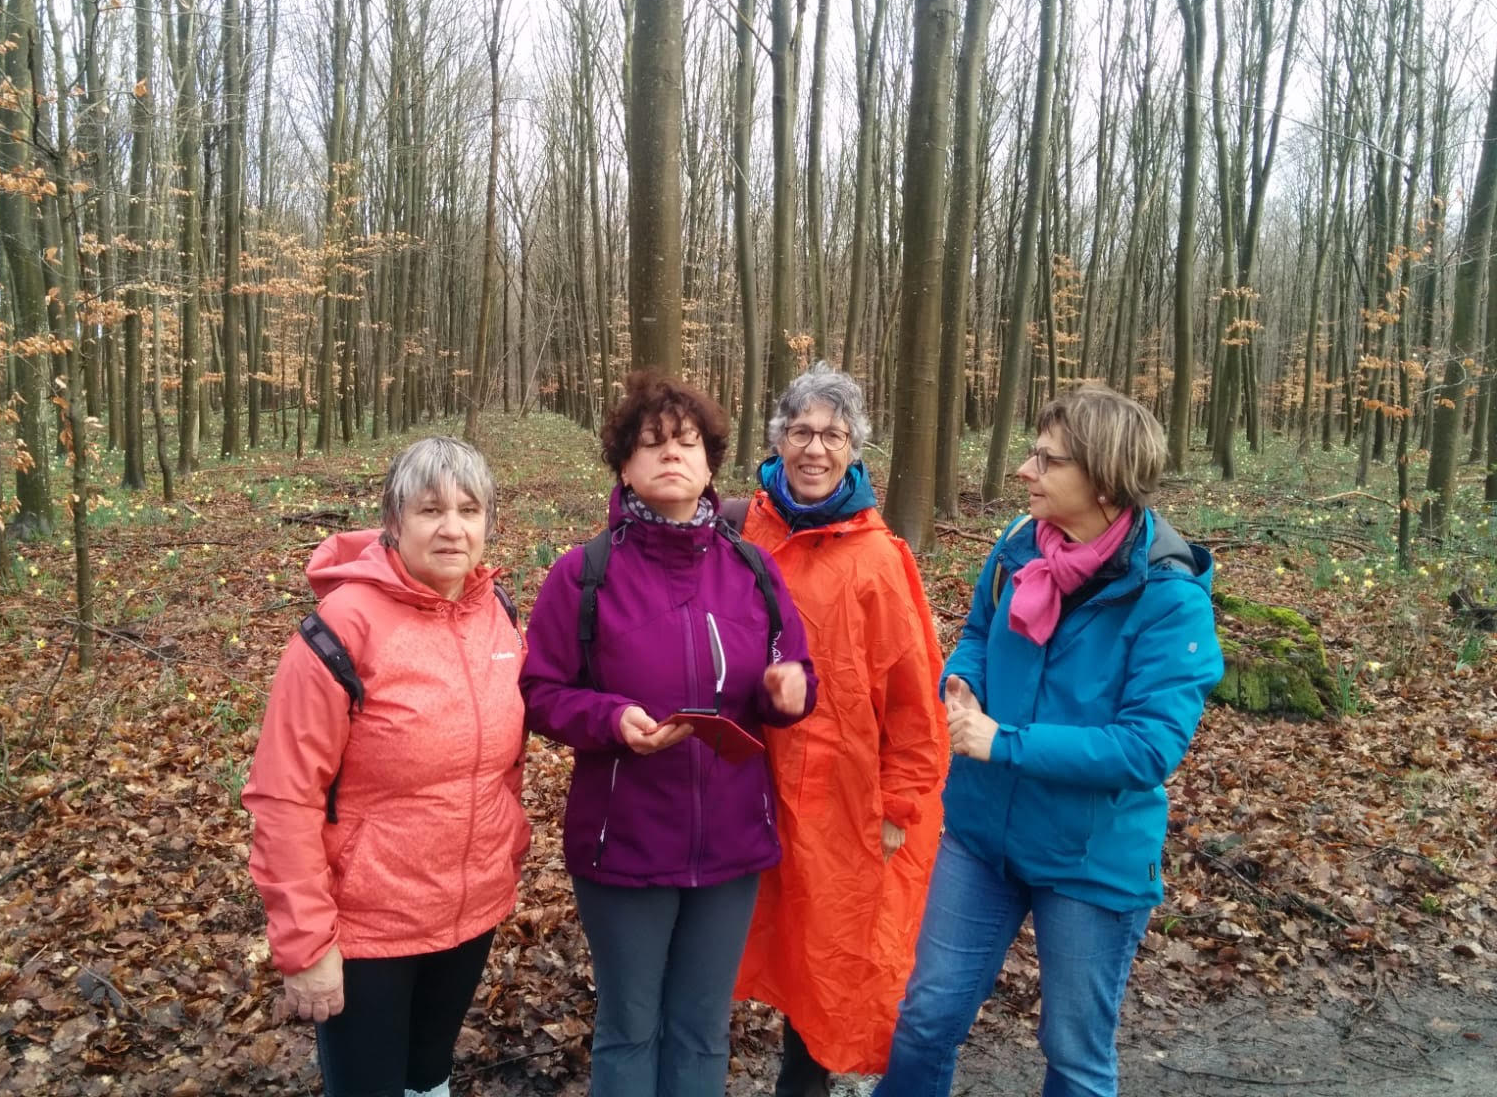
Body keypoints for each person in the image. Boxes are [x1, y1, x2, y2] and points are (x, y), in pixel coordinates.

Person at [876, 384, 1224, 1097]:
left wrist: (1003, 741)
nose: (1024, 470)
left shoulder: (1169, 597)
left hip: (1091, 858)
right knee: (926, 1020)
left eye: (1046, 459)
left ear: (1104, 480)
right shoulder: (1018, 546)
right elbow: (979, 634)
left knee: (1074, 1056)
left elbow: (1147, 749)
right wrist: (963, 682)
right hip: (981, 836)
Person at [520, 370, 818, 1097]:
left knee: (702, 1028)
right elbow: (539, 692)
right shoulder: (583, 575)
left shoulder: (753, 569)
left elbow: (795, 669)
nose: (672, 454)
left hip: (731, 842)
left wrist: (790, 692)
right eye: (651, 443)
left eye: (687, 442)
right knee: (630, 1027)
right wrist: (609, 719)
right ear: (624, 465)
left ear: (711, 464)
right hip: (623, 840)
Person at [243, 436, 530, 1097]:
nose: (453, 528)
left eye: (469, 510)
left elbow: (505, 762)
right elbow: (284, 797)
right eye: (430, 510)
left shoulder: (497, 614)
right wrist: (306, 942)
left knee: (429, 1074)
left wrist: (506, 851)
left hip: (469, 912)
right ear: (394, 522)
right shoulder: (340, 631)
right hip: (368, 928)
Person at [731, 363, 950, 1095]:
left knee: (824, 947)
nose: (815, 449)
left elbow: (914, 696)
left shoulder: (880, 558)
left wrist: (900, 800)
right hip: (745, 774)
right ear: (778, 440)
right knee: (747, 936)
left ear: (854, 448)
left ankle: (804, 1082)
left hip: (838, 791)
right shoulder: (741, 531)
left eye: (833, 435)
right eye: (801, 431)